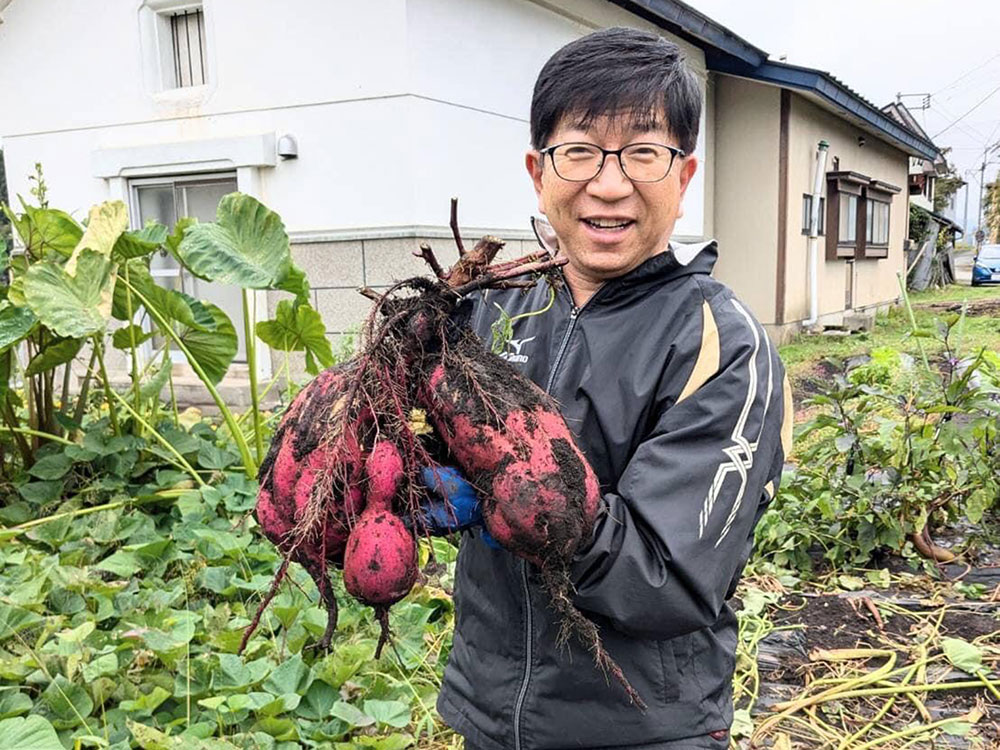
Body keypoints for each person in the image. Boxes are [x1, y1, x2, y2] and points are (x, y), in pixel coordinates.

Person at [419, 26, 792, 750]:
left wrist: (532, 504)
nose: (609, 183)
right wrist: (406, 475)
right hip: (492, 711)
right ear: (539, 170)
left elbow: (672, 576)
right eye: (580, 150)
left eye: (644, 153)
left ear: (682, 179)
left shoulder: (719, 342)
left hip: (643, 727)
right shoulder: (490, 307)